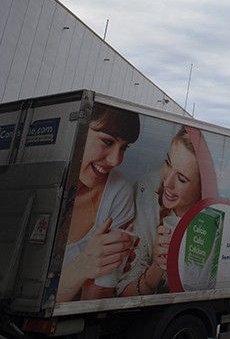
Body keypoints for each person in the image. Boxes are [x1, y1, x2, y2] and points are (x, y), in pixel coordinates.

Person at [119, 126, 217, 296]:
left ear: (201, 190)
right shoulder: (146, 192)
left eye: (181, 179)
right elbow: (123, 292)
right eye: (167, 163)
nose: (167, 183)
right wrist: (158, 266)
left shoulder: (212, 221)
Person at [56, 105, 140, 302]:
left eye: (123, 147)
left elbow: (95, 299)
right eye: (107, 141)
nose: (116, 160)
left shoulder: (118, 191)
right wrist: (83, 267)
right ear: (76, 131)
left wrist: (107, 270)